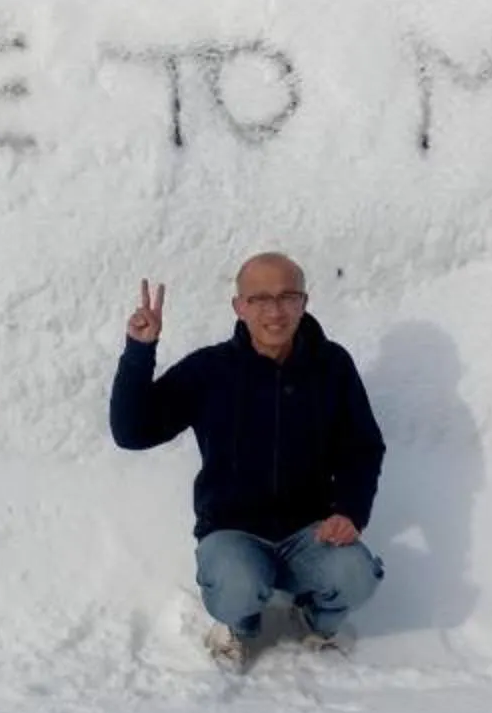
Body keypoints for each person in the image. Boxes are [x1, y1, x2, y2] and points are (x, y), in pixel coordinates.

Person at [110, 252, 385, 663]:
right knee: (237, 583)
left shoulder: (332, 366)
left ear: (304, 302)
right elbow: (132, 433)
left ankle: (315, 617)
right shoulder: (210, 370)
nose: (274, 311)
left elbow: (361, 447)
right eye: (259, 299)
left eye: (287, 296)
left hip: (310, 534)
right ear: (239, 307)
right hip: (232, 532)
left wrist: (350, 510)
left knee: (358, 573)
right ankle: (242, 624)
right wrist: (139, 352)